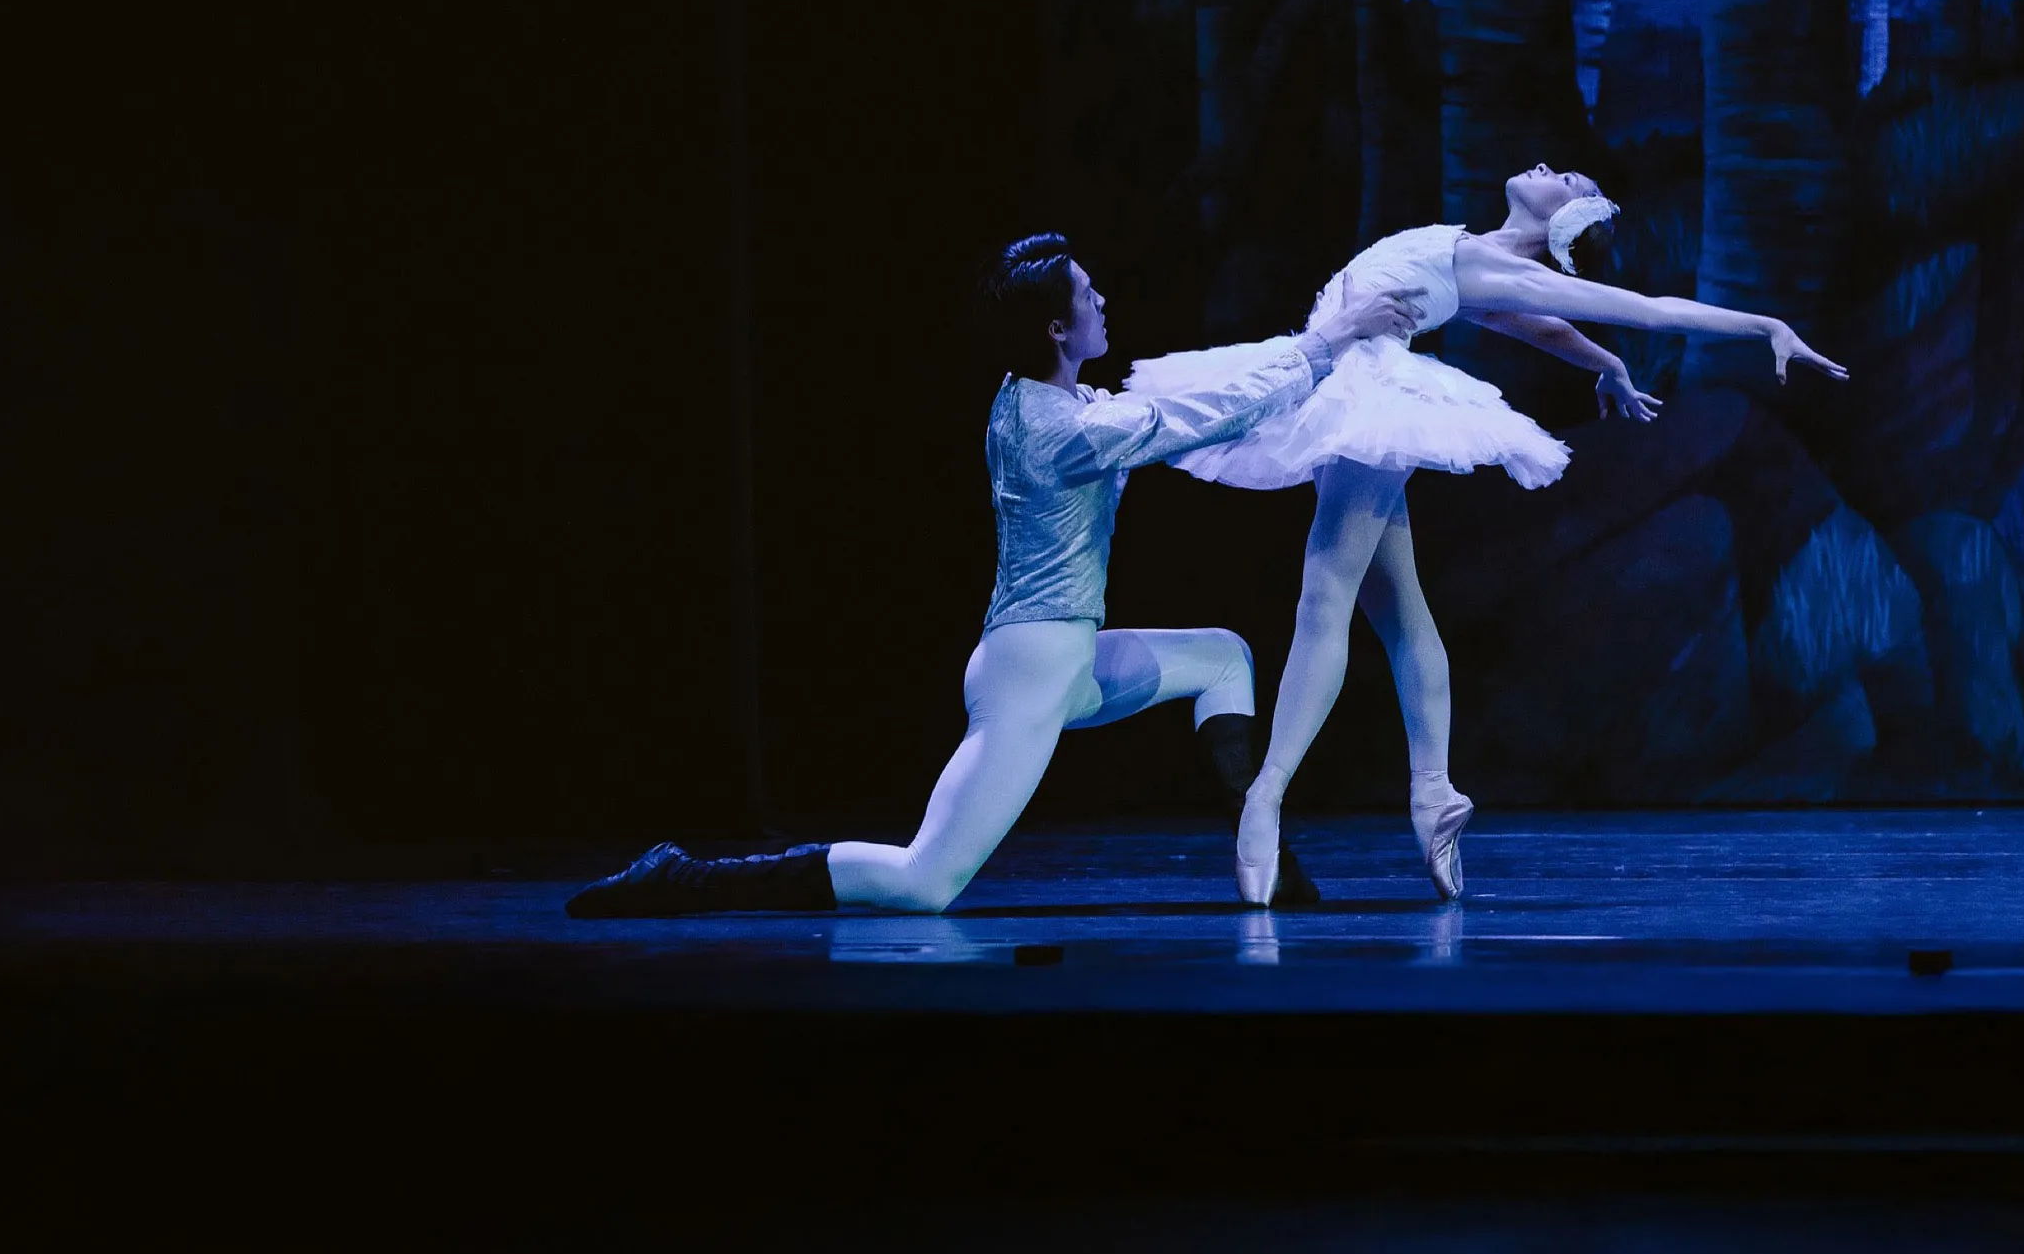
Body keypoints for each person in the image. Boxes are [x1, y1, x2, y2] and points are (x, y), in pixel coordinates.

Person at [566, 232, 1427, 917]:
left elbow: (1194, 399)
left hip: (1067, 661)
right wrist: (1321, 348)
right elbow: (1181, 419)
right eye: (1088, 295)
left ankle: (1263, 854)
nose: (1103, 301)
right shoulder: (1057, 431)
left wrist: (1309, 351)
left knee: (1223, 657)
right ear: (1057, 327)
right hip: (1031, 671)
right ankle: (689, 878)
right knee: (921, 883)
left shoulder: (1048, 400)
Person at [1127, 166, 1848, 906]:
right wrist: (1604, 364)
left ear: (1567, 217)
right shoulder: (1481, 256)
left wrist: (1765, 325)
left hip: (1369, 394)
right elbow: (1533, 326)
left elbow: (1642, 307)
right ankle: (1434, 794)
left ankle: (1267, 795)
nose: (1544, 167)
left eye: (1564, 176)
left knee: (1326, 593)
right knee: (1400, 610)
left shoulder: (1502, 267)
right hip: (1342, 379)